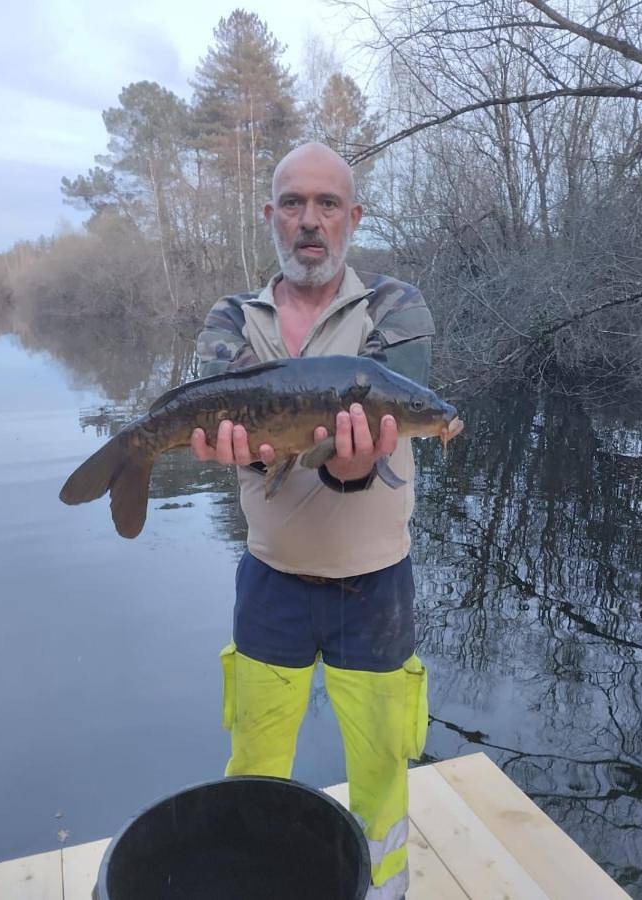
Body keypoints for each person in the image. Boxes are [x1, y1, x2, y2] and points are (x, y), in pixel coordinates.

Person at [191, 142, 435, 900]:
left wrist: (347, 463)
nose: (309, 221)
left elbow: (385, 436)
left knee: (380, 766)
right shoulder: (232, 320)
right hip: (272, 581)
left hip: (376, 588)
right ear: (269, 215)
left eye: (327, 204)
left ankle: (383, 890)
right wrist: (246, 452)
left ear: (352, 217)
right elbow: (233, 439)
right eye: (292, 203)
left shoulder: (394, 307)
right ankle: (257, 885)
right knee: (256, 762)